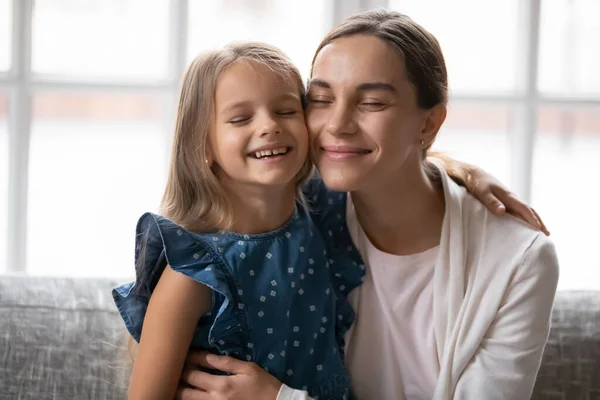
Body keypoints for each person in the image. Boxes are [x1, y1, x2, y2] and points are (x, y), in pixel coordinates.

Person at [173, 10, 559, 400]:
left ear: (428, 124)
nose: (337, 124)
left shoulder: (519, 262)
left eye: (372, 102)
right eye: (320, 99)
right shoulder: (296, 213)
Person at [113, 42, 366, 400]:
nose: (270, 126)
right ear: (203, 144)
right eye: (241, 118)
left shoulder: (323, 209)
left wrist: (468, 175)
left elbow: (396, 161)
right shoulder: (194, 272)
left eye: (286, 110)